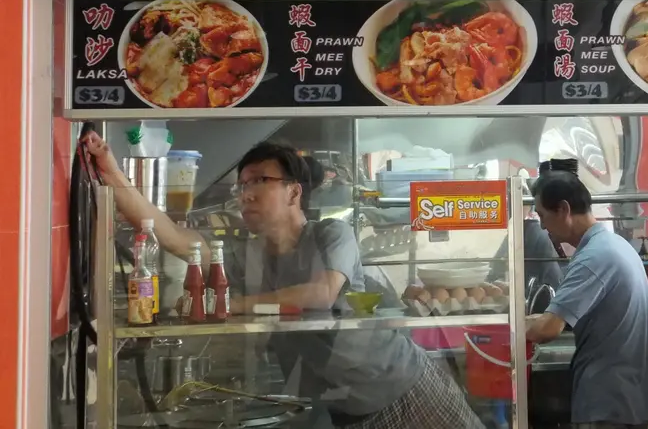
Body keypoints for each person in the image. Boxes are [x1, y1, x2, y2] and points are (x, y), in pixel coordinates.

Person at [83, 132, 484, 429]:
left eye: (260, 182)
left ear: (294, 192)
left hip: (400, 383)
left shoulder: (330, 234)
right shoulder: (243, 257)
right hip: (343, 405)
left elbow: (322, 293)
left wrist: (233, 304)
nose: (247, 194)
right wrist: (110, 169)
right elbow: (170, 235)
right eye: (242, 186)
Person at [525, 171, 648, 429]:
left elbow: (548, 329)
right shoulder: (613, 245)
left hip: (608, 400)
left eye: (542, 215)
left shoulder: (594, 258)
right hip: (626, 395)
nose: (541, 226)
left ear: (563, 209)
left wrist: (507, 333)